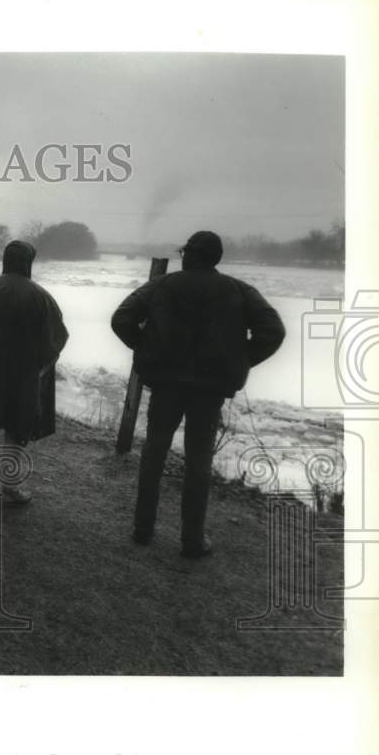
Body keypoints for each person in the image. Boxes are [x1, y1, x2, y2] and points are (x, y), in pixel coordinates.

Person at [111, 230, 286, 558]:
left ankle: (142, 529)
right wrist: (242, 359)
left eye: (184, 252)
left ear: (190, 255)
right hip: (209, 389)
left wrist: (148, 350)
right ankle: (192, 540)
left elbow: (122, 319)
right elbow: (273, 331)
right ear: (216, 258)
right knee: (198, 460)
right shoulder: (238, 290)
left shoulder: (162, 285)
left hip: (166, 384)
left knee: (153, 453)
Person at [0, 240, 69, 504]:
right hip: (23, 379)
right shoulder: (41, 296)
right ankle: (10, 486)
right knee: (17, 431)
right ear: (28, 262)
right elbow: (57, 338)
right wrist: (40, 367)